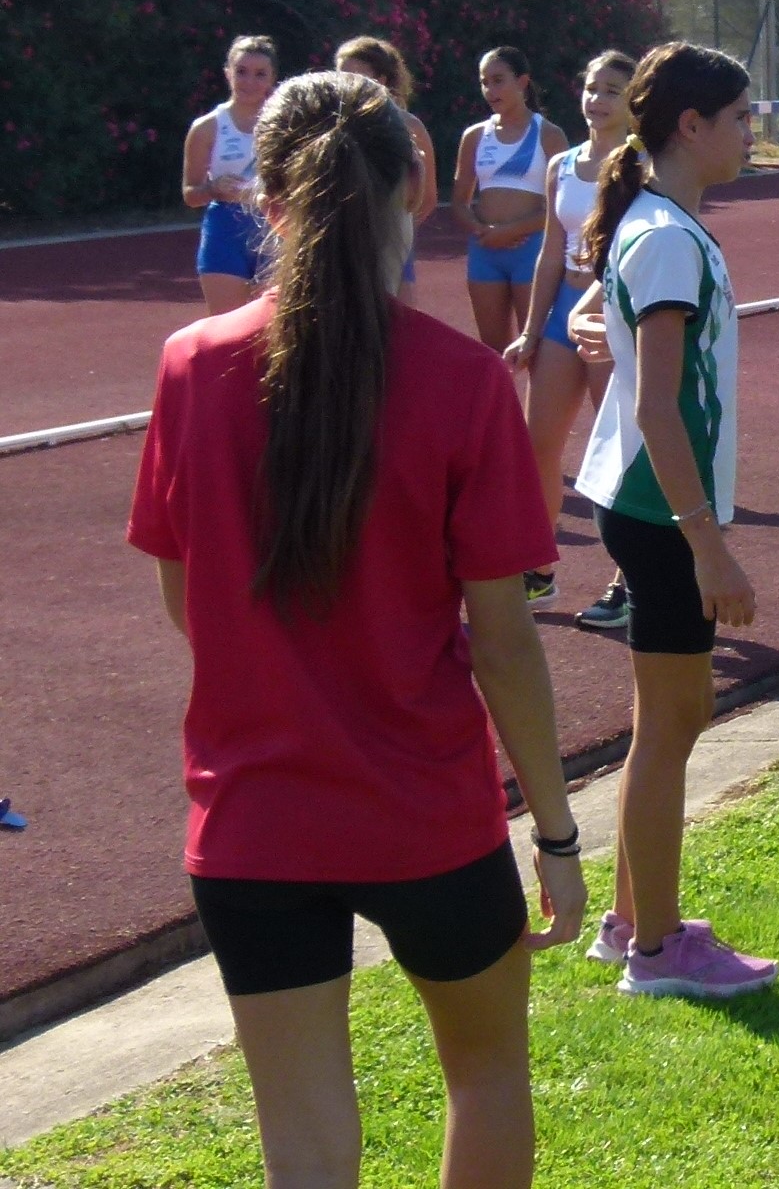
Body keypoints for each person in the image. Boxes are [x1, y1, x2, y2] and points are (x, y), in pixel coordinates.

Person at [127, 70, 587, 1189]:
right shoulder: (463, 381)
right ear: (417, 188)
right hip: (427, 810)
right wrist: (559, 835)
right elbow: (504, 642)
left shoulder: (193, 366)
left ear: (263, 198)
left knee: (303, 1135)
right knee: (486, 1075)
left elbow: (188, 601)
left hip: (254, 817)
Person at [569, 42, 779, 1000]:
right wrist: (710, 549)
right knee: (669, 728)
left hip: (651, 504)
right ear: (691, 127)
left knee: (669, 720)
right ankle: (656, 950)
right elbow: (659, 408)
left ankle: (631, 921)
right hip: (658, 512)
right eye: (739, 118)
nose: (750, 133)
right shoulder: (665, 238)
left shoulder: (665, 226)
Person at [504, 50, 638, 613]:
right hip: (563, 310)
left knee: (622, 449)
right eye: (591, 88)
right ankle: (538, 570)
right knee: (539, 445)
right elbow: (550, 253)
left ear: (633, 101)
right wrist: (532, 330)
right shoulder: (561, 164)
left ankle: (630, 579)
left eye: (611, 90)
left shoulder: (643, 165)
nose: (596, 100)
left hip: (614, 311)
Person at [452, 47, 569, 352]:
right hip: (485, 252)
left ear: (522, 82)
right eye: (484, 82)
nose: (490, 90)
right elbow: (460, 202)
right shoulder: (475, 136)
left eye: (498, 80)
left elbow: (562, 206)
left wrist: (512, 231)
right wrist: (482, 231)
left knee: (537, 349)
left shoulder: (549, 135)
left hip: (531, 251)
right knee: (493, 353)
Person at [334, 36, 439, 306]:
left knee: (397, 318)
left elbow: (427, 198)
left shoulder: (410, 127)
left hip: (392, 247)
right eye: (342, 75)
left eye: (357, 76)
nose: (347, 83)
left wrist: (394, 229)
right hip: (342, 245)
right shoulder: (331, 127)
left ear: (380, 79)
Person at [181, 35, 279, 314]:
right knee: (225, 324)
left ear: (272, 78)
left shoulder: (286, 125)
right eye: (241, 72)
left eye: (260, 74)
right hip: (225, 230)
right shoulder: (207, 127)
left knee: (275, 325)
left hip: (274, 227)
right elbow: (190, 194)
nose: (249, 82)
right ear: (228, 73)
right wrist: (213, 188)